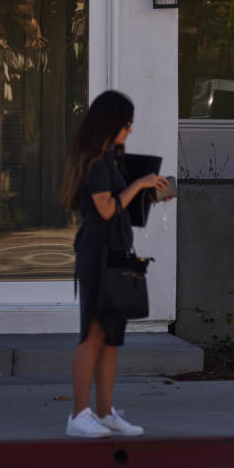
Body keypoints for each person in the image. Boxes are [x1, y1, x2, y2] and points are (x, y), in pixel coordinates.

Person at [60, 90, 169, 438]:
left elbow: (122, 205)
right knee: (93, 334)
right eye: (126, 123)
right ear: (111, 123)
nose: (130, 130)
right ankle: (79, 414)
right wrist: (139, 184)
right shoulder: (93, 161)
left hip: (118, 249)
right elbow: (106, 209)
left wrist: (150, 191)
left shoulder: (109, 159)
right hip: (98, 251)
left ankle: (105, 413)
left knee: (111, 336)